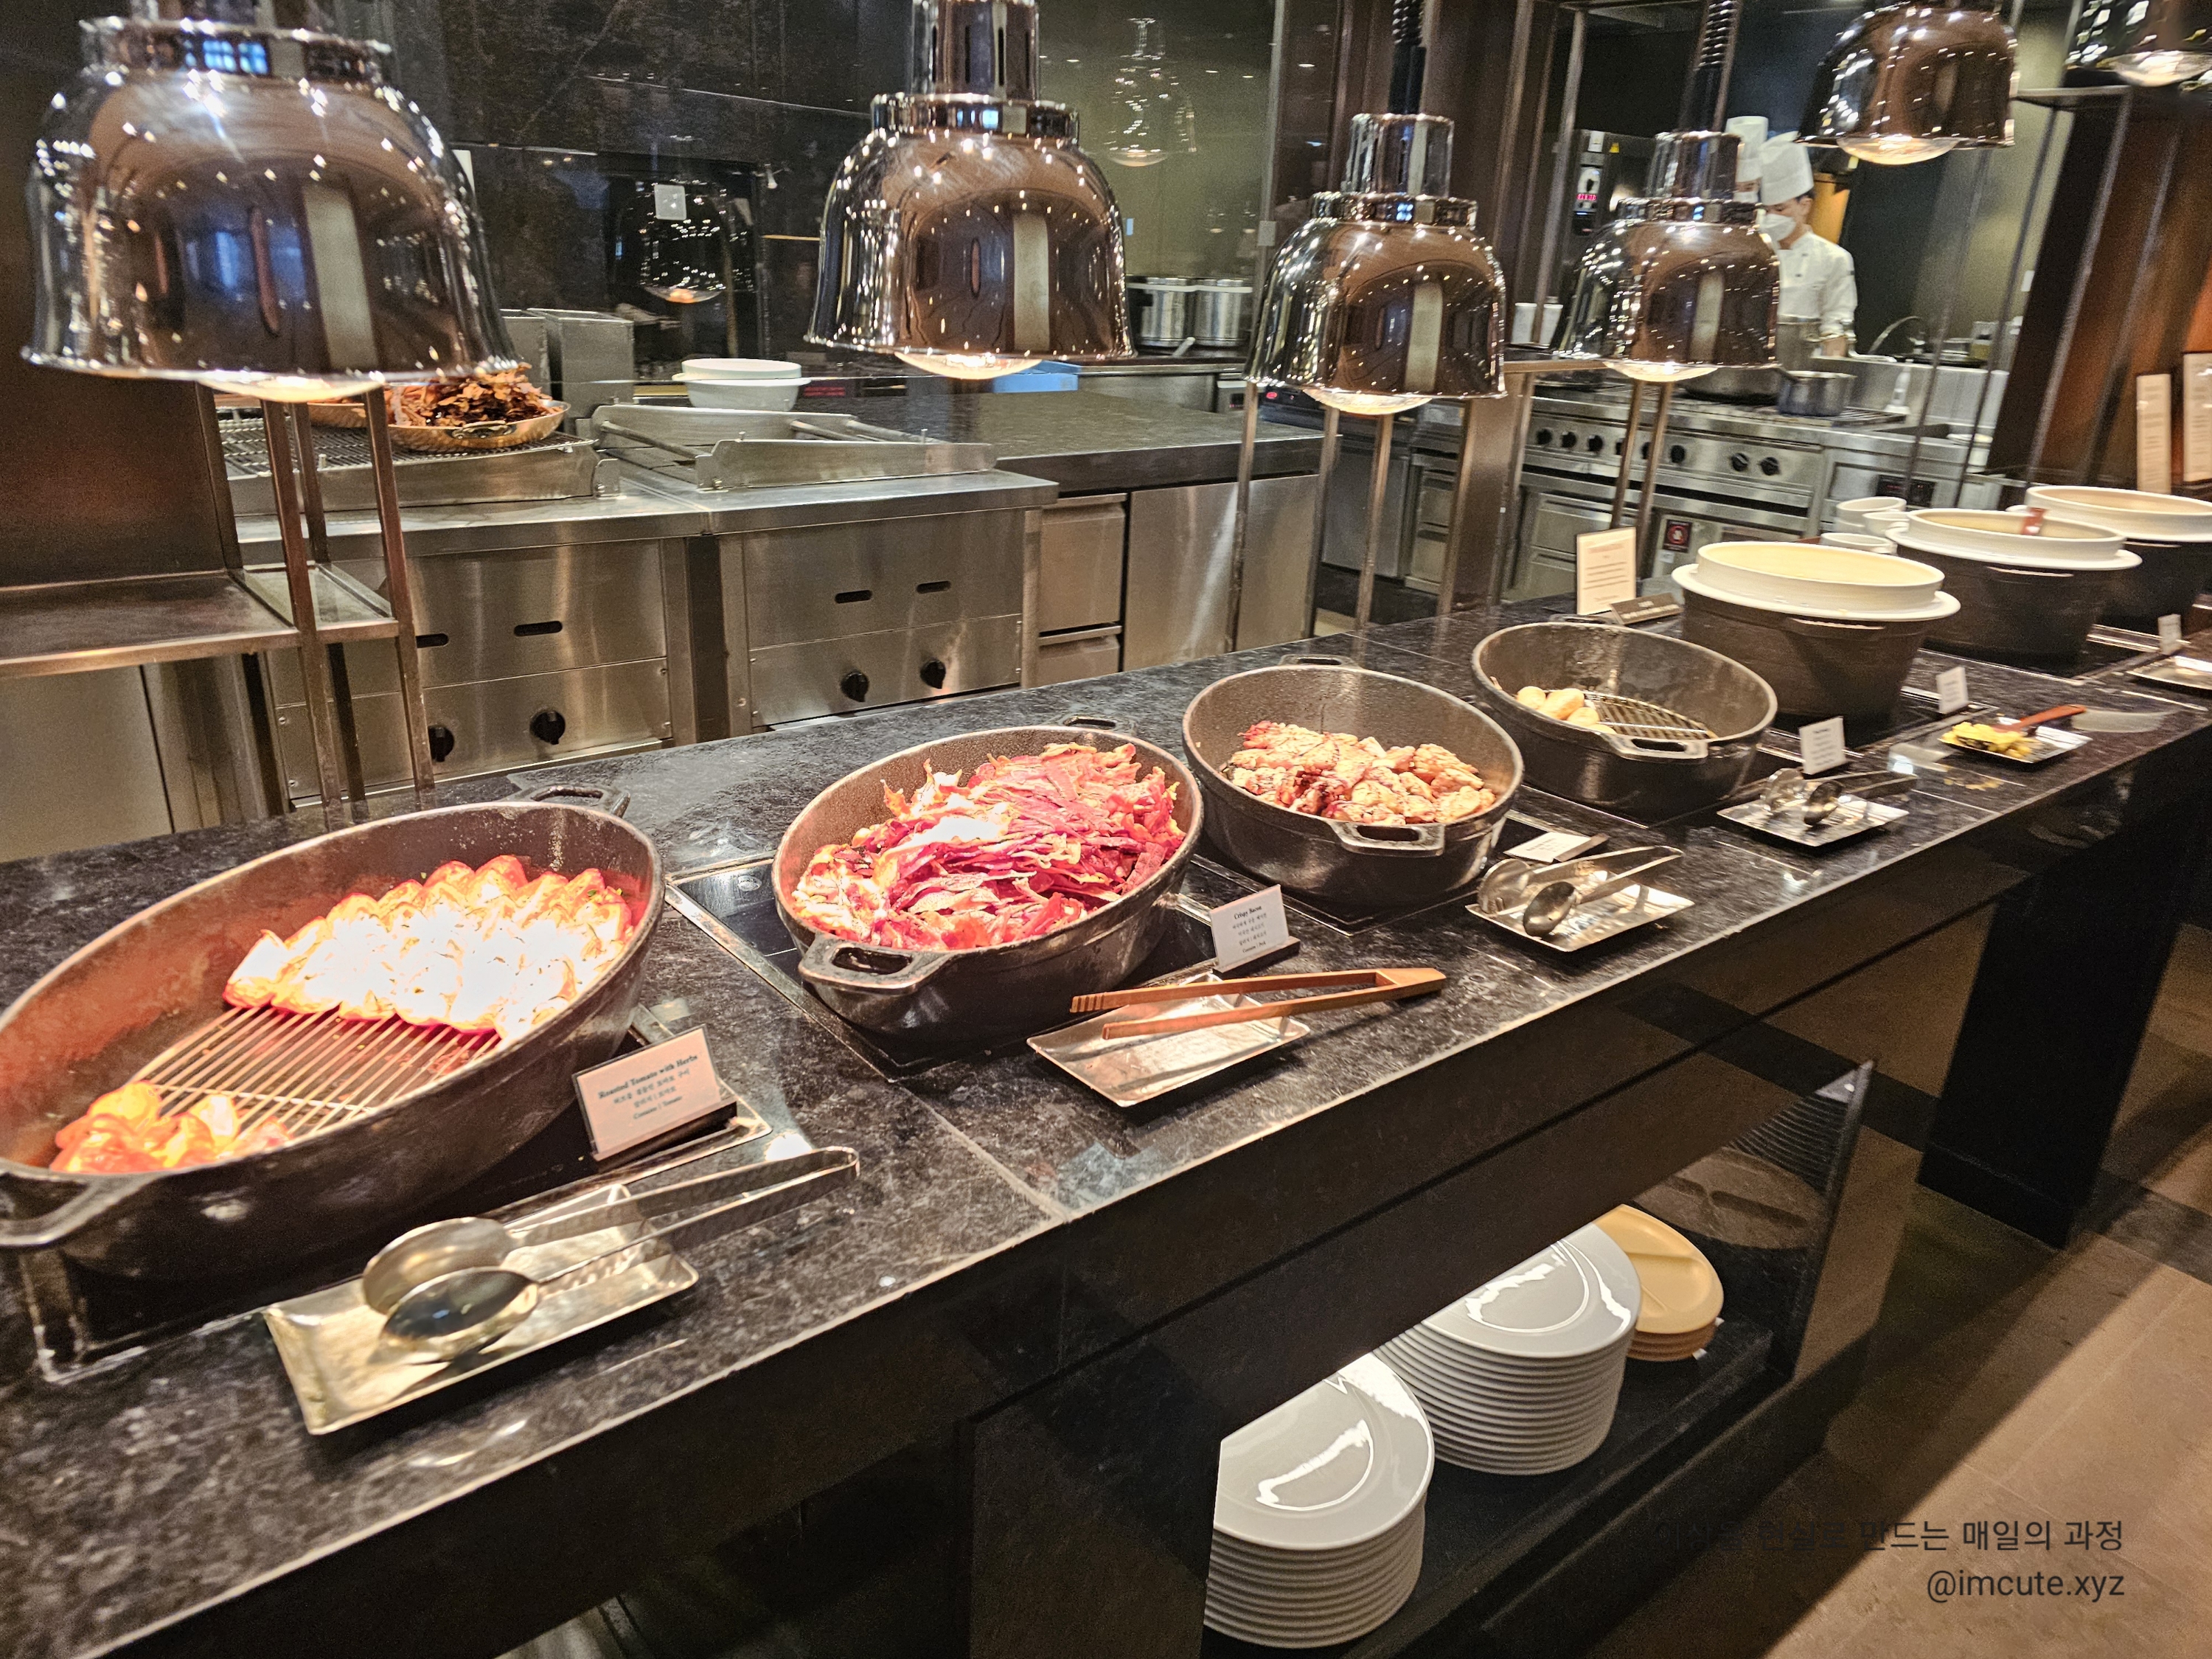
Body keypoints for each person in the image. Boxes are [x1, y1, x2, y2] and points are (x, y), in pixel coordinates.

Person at [1756, 133, 1857, 354]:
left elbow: (1836, 325)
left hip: (1801, 360)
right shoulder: (1756, 254)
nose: (1771, 217)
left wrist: (1830, 367)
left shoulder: (1834, 258)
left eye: (1780, 209)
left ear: (1805, 206)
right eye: (1766, 210)